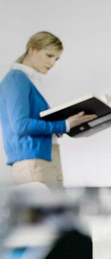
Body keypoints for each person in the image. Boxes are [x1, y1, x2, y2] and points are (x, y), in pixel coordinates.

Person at [0, 31, 96, 188]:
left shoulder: (27, 81)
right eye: (49, 55)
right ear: (33, 50)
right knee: (44, 212)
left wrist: (68, 125)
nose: (52, 63)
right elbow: (20, 125)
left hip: (46, 156)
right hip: (33, 159)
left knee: (56, 210)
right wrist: (64, 124)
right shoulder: (17, 78)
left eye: (56, 59)